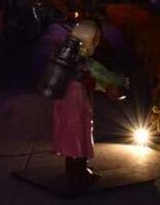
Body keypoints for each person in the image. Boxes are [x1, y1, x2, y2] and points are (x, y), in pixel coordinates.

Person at [48, 20, 128, 190]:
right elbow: (98, 76)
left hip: (67, 101)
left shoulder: (67, 55)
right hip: (75, 102)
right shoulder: (81, 60)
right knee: (78, 135)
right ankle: (79, 174)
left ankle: (73, 170)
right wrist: (117, 84)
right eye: (96, 40)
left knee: (72, 136)